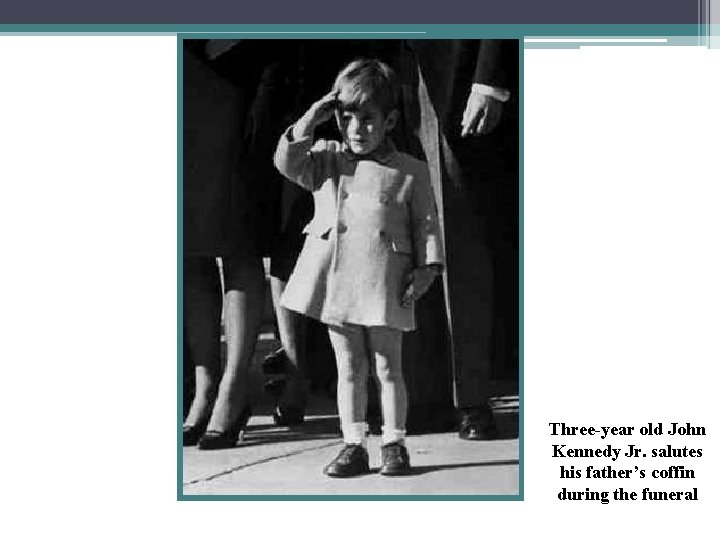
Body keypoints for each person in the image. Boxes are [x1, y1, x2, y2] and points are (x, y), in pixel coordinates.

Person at [273, 59, 444, 476]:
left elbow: (426, 224)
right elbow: (287, 163)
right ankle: (353, 443)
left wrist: (427, 268)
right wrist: (312, 118)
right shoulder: (326, 159)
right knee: (348, 366)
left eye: (367, 119)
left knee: (388, 366)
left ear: (390, 121)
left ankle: (394, 442)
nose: (355, 129)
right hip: (336, 281)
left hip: (387, 279)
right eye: (346, 118)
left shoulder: (410, 170)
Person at [403, 40, 519, 440]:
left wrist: (490, 80)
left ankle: (470, 397)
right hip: (376, 68)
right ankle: (419, 394)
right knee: (393, 240)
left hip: (449, 72)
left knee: (457, 240)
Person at [182, 40, 269, 450]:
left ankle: (234, 388)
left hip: (244, 56)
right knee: (185, 240)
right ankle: (205, 385)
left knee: (238, 232)